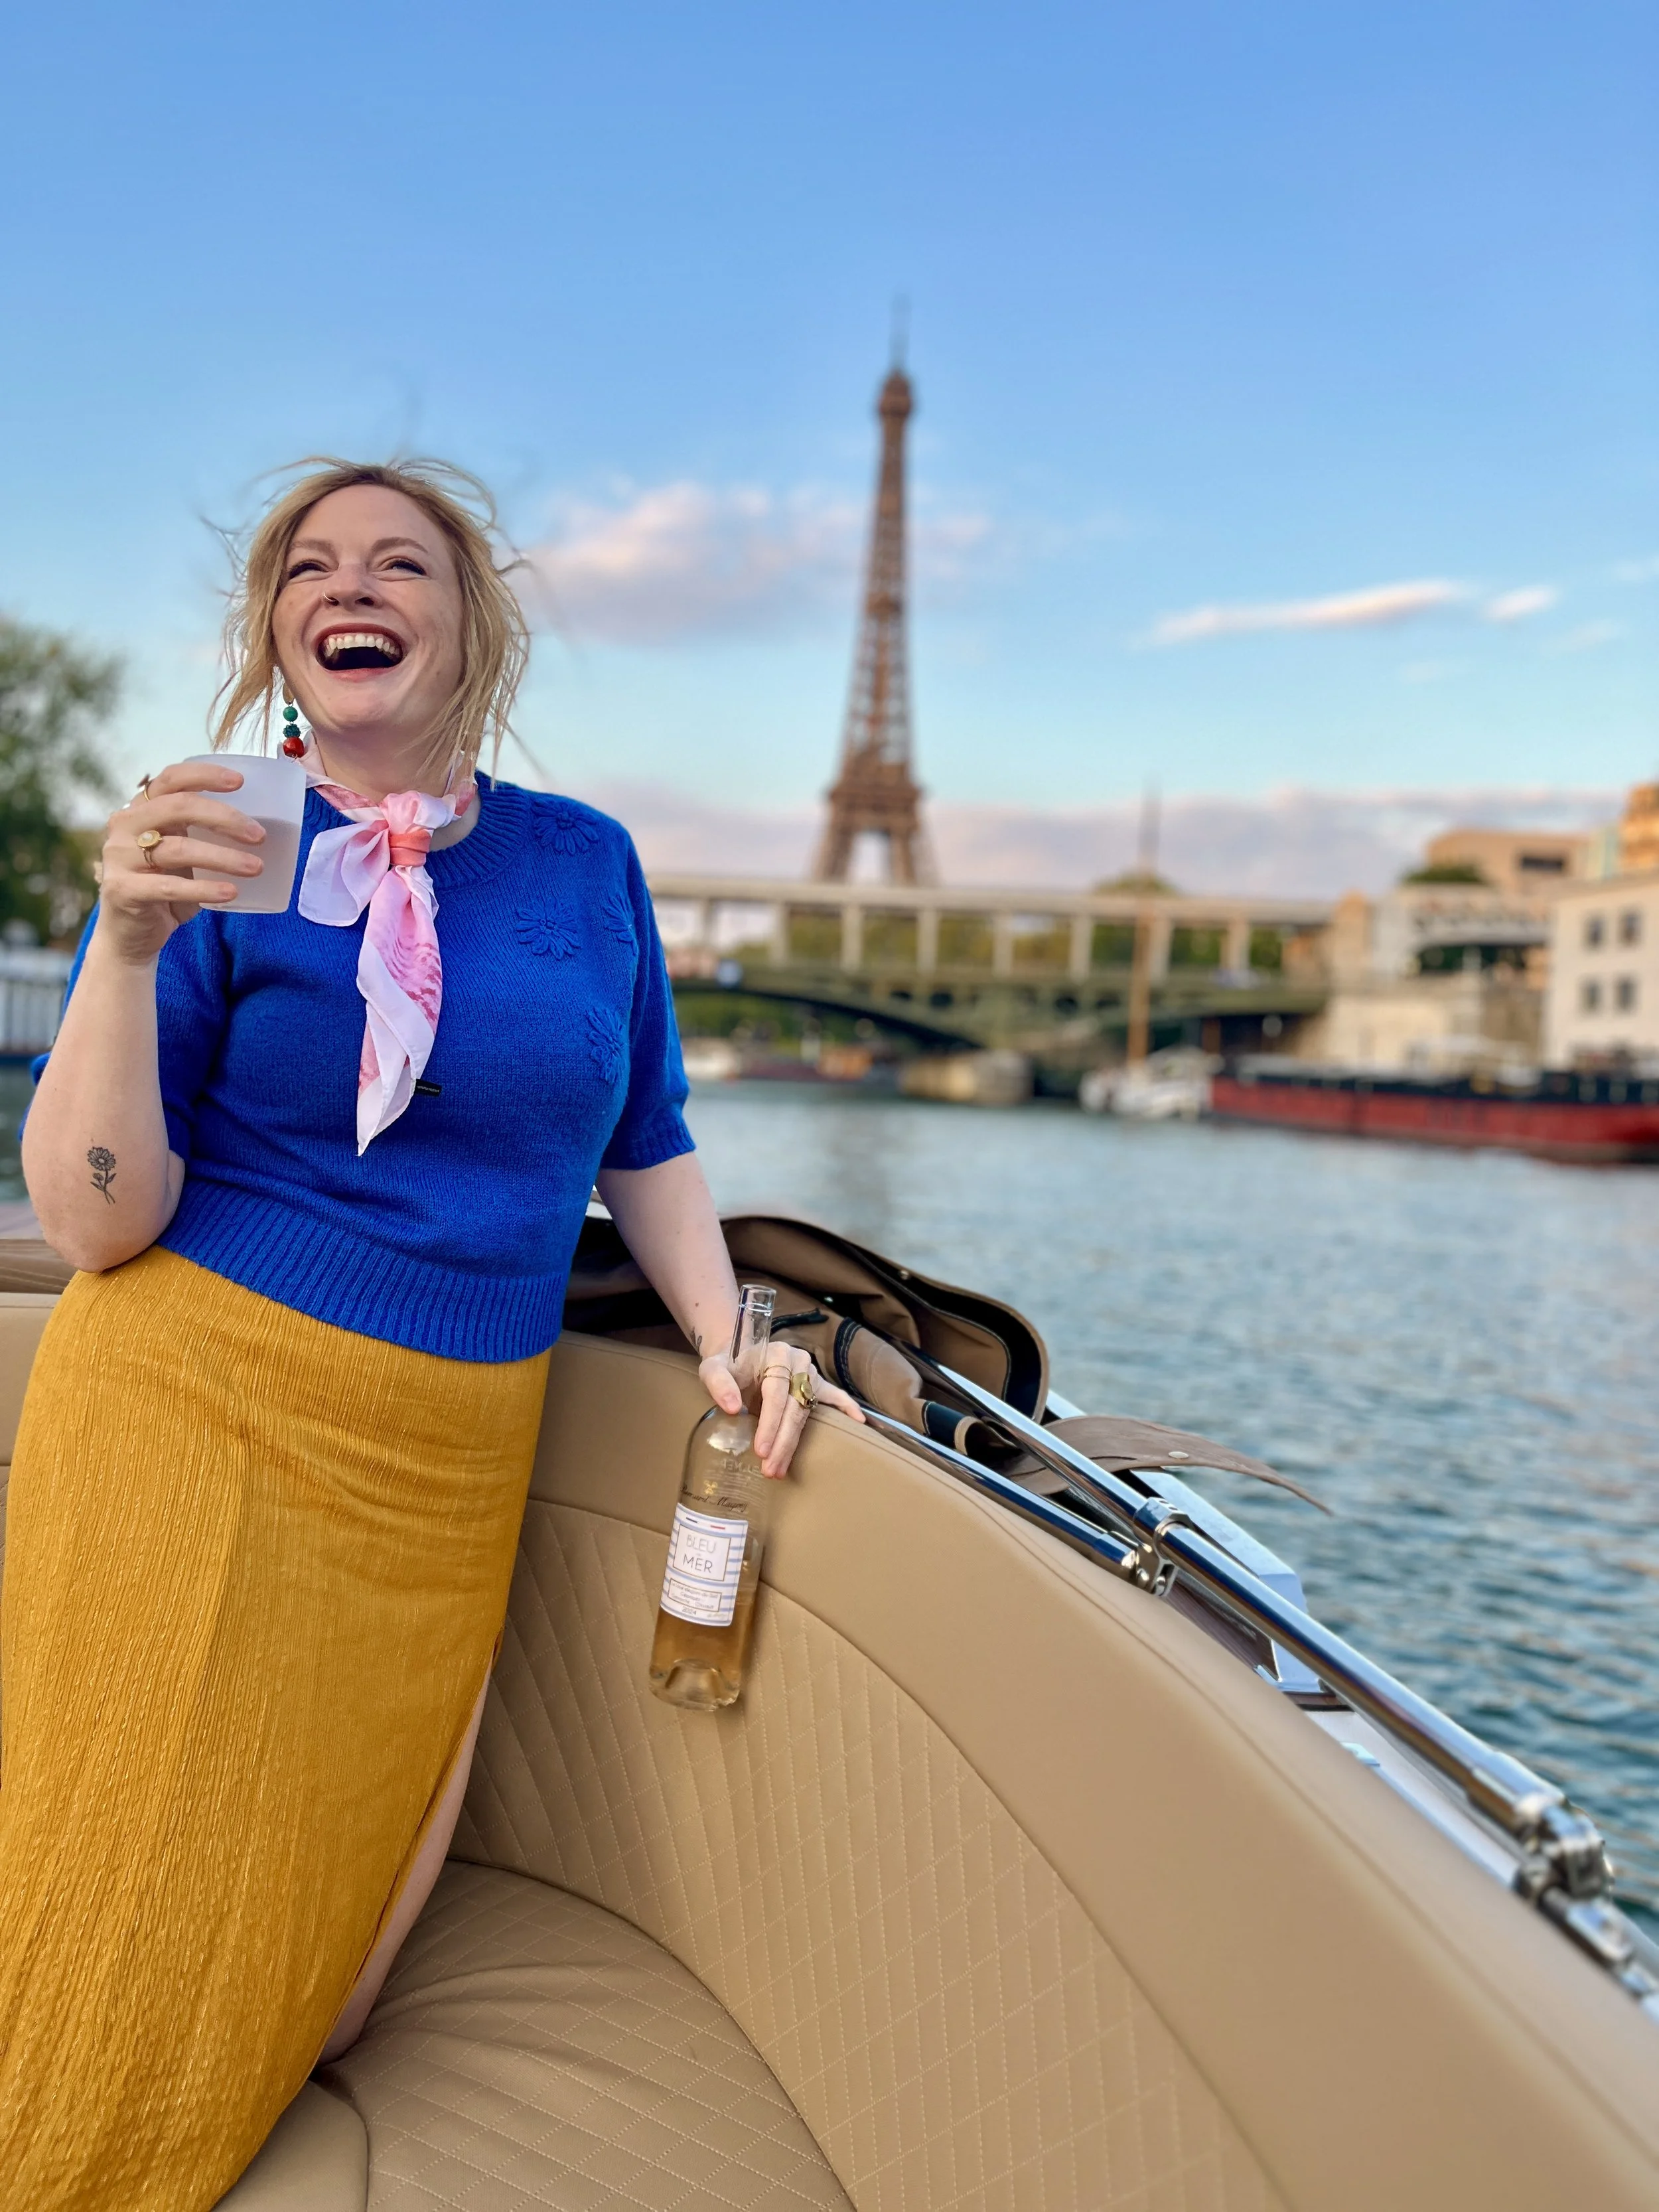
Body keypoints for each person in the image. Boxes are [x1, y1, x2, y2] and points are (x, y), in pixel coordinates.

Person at [1, 457, 863, 2210]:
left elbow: (653, 1144)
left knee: (332, 1973)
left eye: (402, 559)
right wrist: (125, 944)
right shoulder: (217, 847)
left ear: (473, 626)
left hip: (449, 1471)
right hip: (199, 1413)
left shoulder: (584, 866)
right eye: (310, 566)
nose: (352, 581)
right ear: (279, 638)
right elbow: (99, 1223)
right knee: (119, 1933)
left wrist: (729, 1332)